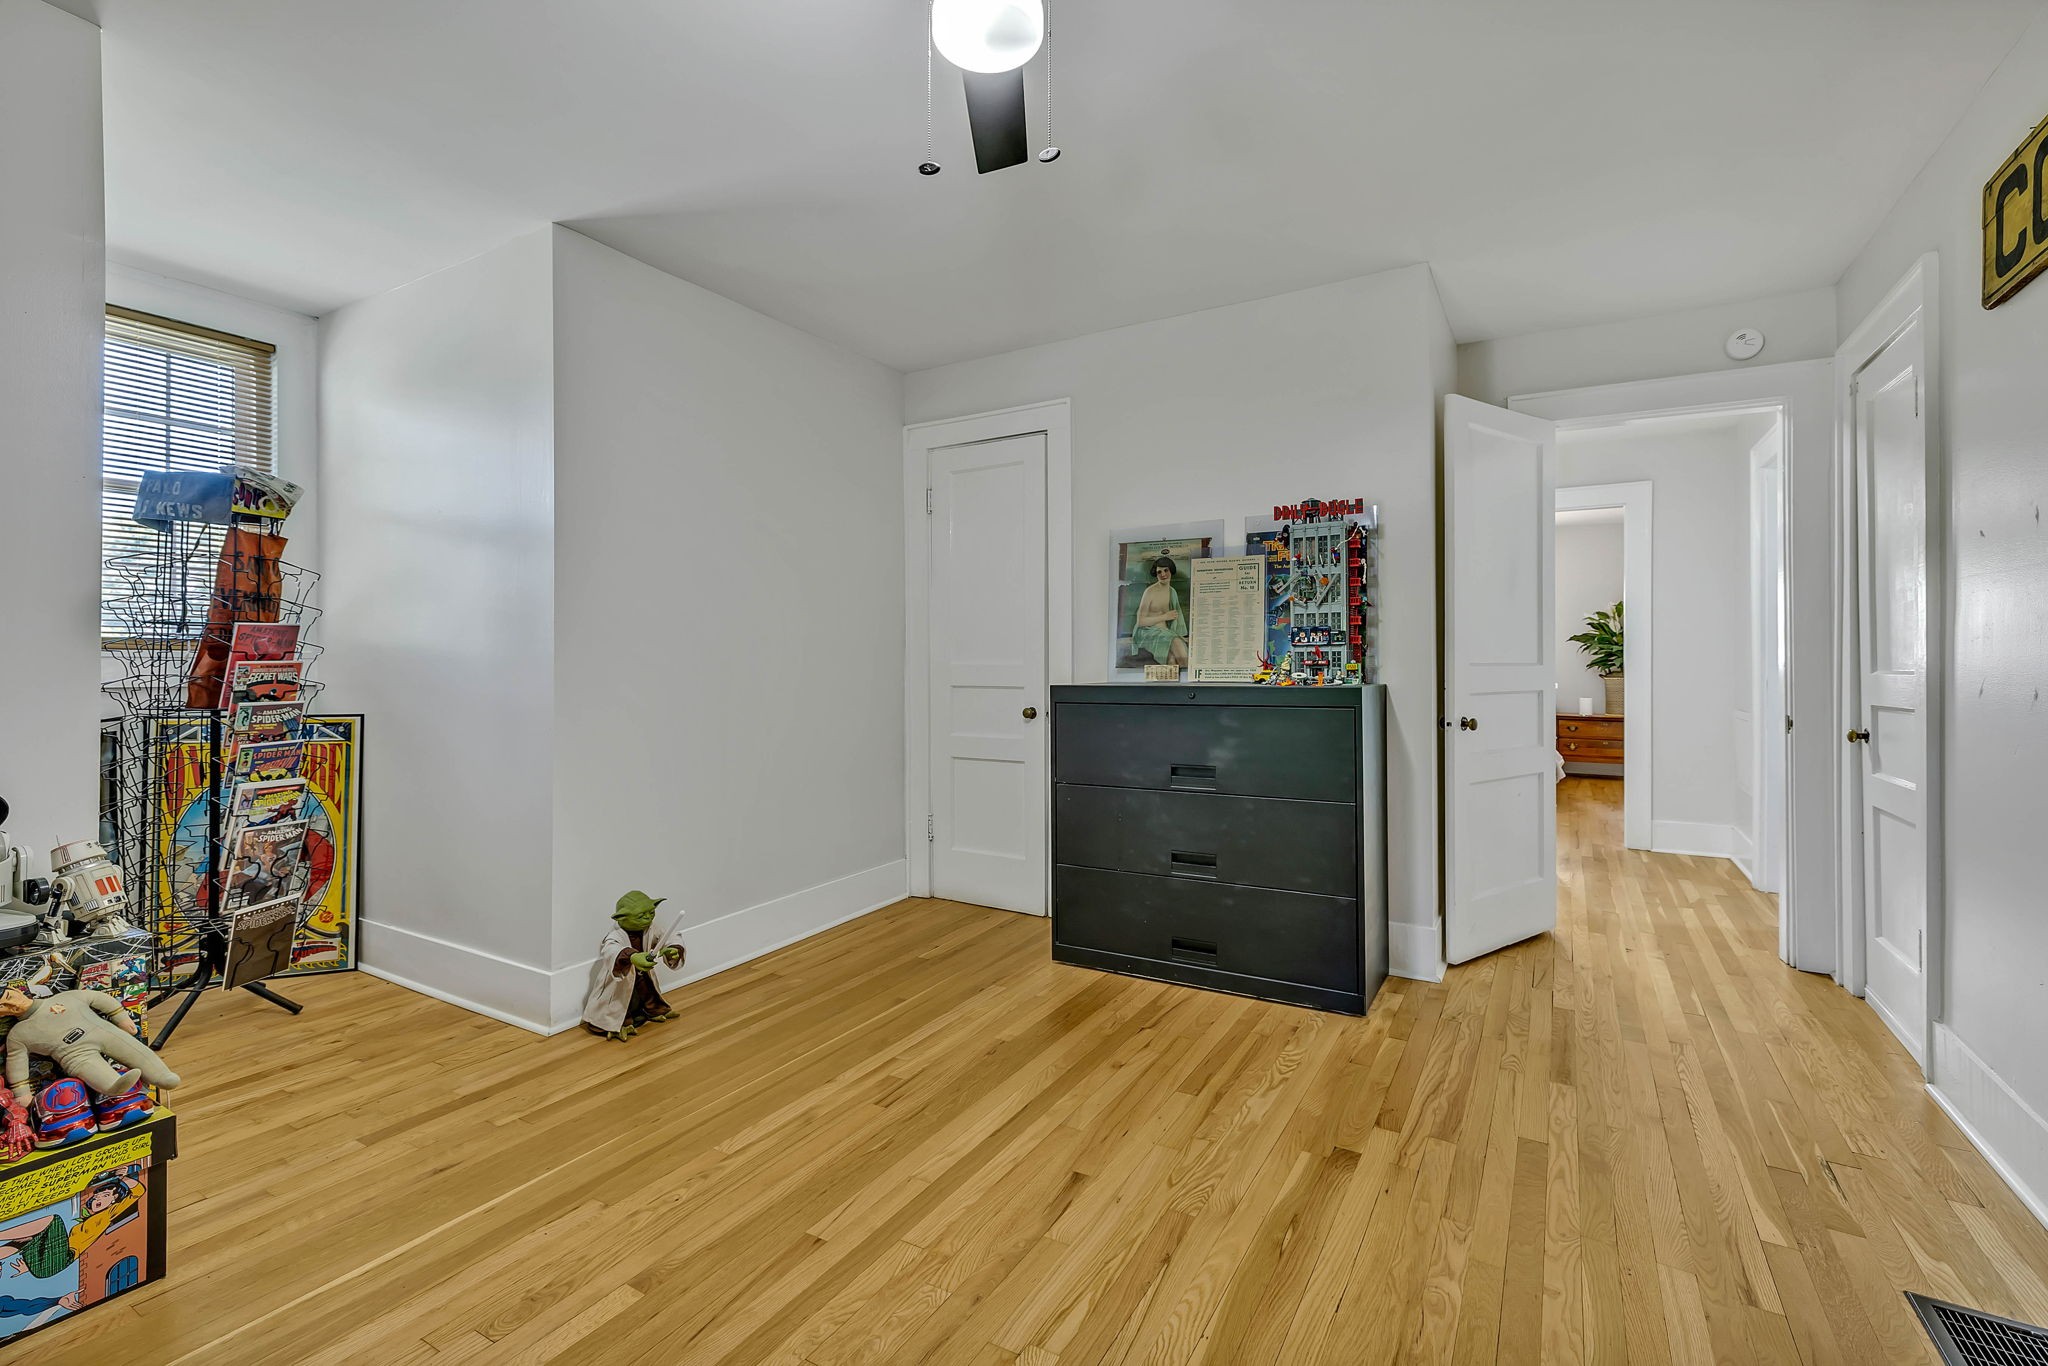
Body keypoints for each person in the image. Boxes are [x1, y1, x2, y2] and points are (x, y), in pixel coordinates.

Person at [1131, 556, 1189, 667]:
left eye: (1166, 570)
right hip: (1146, 632)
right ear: (1156, 574)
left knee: (1172, 658)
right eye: (1159, 572)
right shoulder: (1149, 592)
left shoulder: (1173, 592)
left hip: (1166, 632)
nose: (1163, 574)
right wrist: (1164, 617)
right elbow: (1140, 622)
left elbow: (1177, 620)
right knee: (1176, 643)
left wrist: (1179, 635)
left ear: (1171, 570)